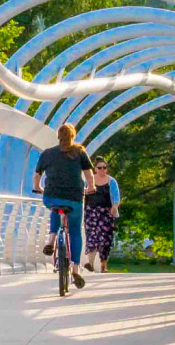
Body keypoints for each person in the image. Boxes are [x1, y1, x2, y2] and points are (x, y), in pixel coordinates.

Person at [33, 123, 94, 289]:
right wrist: (91, 188)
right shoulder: (80, 152)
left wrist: (38, 188)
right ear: (73, 136)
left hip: (51, 196)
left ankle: (51, 240)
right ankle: (75, 269)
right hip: (74, 198)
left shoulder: (47, 153)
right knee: (74, 231)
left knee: (55, 207)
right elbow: (89, 174)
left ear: (58, 136)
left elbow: (37, 176)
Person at [83, 158, 121, 273]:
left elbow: (116, 197)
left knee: (105, 239)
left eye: (104, 167)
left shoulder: (111, 181)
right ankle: (90, 263)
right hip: (91, 212)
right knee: (92, 237)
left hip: (106, 213)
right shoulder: (89, 180)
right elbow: (83, 193)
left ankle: (103, 265)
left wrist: (114, 207)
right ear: (95, 169)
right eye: (100, 167)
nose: (102, 170)